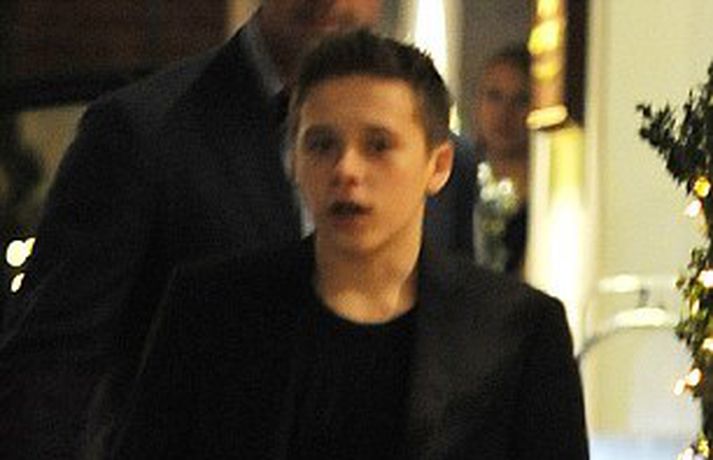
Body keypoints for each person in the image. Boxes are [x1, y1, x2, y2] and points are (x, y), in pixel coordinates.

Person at [0, 1, 477, 458]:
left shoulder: (432, 162)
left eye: (377, 145)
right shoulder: (143, 133)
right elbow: (53, 368)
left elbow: (451, 357)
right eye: (320, 145)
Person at [115, 30, 589, 459]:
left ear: (438, 165)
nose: (346, 170)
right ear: (293, 160)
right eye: (321, 145)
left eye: (378, 145)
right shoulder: (211, 310)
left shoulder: (518, 330)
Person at [471, 44, 530, 274]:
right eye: (494, 96)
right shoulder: (457, 182)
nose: (505, 113)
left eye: (521, 100)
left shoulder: (546, 197)